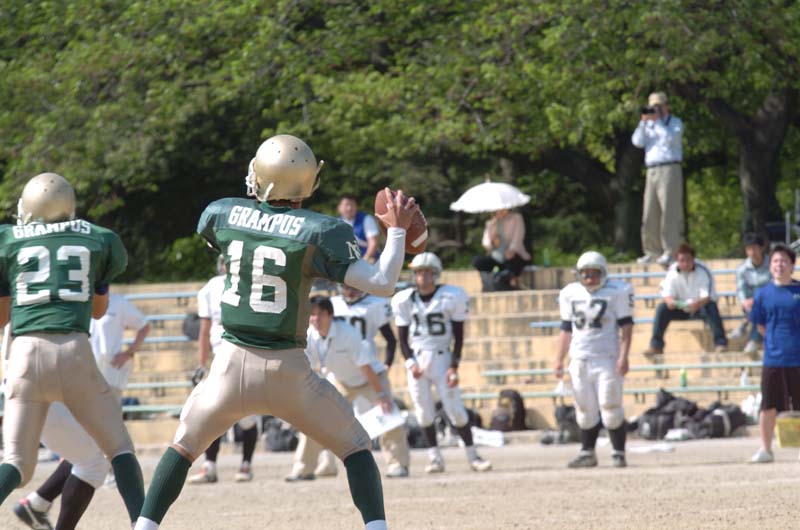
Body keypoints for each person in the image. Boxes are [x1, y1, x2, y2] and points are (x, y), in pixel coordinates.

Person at [133, 134, 418, 530]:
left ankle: (143, 528)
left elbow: (246, 234)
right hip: (289, 370)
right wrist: (398, 231)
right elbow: (384, 283)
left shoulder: (223, 213)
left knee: (183, 448)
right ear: (308, 181)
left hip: (230, 365)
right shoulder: (322, 230)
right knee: (356, 449)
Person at [0, 173, 145, 527]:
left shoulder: (8, 240)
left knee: (17, 462)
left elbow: (2, 317)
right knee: (119, 449)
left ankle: (36, 504)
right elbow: (98, 311)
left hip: (24, 355)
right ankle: (144, 525)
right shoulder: (97, 239)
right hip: (74, 351)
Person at [10, 292, 150, 529]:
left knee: (88, 449)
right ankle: (39, 501)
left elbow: (143, 326)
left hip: (99, 379)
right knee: (97, 452)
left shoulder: (115, 302)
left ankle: (38, 501)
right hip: (71, 378)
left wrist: (129, 352)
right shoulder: (71, 298)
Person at [286, 297, 410, 481]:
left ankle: (398, 465)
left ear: (330, 315)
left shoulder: (347, 333)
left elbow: (365, 367)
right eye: (312, 314)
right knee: (314, 418)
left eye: (320, 314)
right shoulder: (310, 335)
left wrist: (381, 395)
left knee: (389, 416)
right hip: (341, 381)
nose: (316, 319)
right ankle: (303, 469)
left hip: (371, 379)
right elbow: (307, 367)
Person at [392, 252, 492, 474]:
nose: (423, 277)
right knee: (423, 412)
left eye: (428, 272)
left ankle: (473, 456)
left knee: (455, 410)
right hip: (417, 359)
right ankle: (435, 458)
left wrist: (454, 366)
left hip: (442, 358)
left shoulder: (450, 296)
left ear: (435, 274)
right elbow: (402, 338)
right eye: (419, 272)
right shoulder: (405, 299)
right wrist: (410, 363)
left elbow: (459, 336)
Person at [554, 251, 634, 468]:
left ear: (604, 273)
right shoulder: (570, 293)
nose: (590, 278)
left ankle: (618, 452)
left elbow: (626, 327)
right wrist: (559, 359)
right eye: (586, 274)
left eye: (594, 273)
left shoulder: (617, 291)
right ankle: (587, 452)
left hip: (607, 358)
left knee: (610, 405)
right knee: (584, 408)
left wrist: (624, 356)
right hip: (579, 358)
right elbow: (565, 329)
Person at [186, 255, 260, 484]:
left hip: (245, 352)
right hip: (220, 356)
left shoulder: (251, 283)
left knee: (247, 414)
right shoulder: (211, 287)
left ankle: (246, 464)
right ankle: (210, 465)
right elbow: (205, 329)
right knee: (212, 409)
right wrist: (201, 363)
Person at [748, 244, 800, 463]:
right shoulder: (763, 294)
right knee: (768, 406)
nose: (780, 265)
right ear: (770, 266)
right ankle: (766, 449)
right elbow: (760, 325)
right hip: (774, 359)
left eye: (784, 261)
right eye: (776, 261)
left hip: (798, 359)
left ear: (792, 266)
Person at [643, 243, 727, 358]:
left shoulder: (703, 271)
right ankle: (656, 346)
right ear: (677, 260)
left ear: (693, 259)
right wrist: (670, 302)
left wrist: (697, 304)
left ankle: (720, 343)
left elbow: (707, 296)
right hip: (680, 307)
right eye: (682, 260)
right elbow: (666, 293)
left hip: (699, 307)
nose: (685, 264)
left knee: (711, 307)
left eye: (688, 260)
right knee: (662, 308)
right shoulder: (672, 272)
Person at [632, 91, 685, 267]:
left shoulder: (675, 123)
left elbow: (670, 139)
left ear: (666, 106)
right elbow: (637, 142)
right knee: (649, 211)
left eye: (658, 106)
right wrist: (643, 122)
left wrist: (659, 122)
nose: (654, 110)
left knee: (669, 212)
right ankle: (651, 251)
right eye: (652, 106)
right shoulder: (648, 124)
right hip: (651, 170)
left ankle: (670, 250)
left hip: (670, 168)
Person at [730, 233, 770, 356]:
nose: (752, 252)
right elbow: (740, 289)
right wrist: (745, 302)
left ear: (762, 248)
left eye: (755, 248)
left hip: (770, 299)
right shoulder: (742, 268)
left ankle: (745, 327)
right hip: (751, 302)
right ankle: (753, 339)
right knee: (756, 307)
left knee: (759, 304)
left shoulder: (772, 264)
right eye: (749, 249)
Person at [472, 208, 530, 291]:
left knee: (513, 261)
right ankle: (492, 282)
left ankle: (512, 281)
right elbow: (486, 242)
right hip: (496, 257)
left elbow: (518, 238)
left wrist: (511, 250)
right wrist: (492, 241)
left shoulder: (516, 218)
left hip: (514, 255)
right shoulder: (491, 223)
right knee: (478, 260)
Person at [338, 194, 381, 263]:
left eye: (352, 205)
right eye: (346, 205)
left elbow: (373, 243)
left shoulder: (367, 219)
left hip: (367, 260)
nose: (349, 208)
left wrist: (364, 262)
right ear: (339, 207)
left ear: (356, 206)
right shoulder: (336, 223)